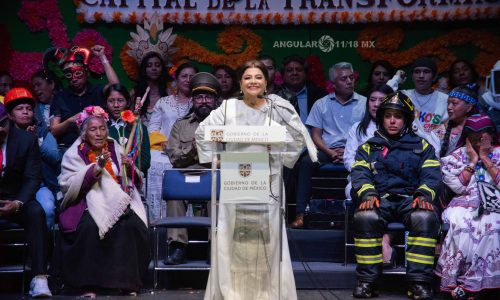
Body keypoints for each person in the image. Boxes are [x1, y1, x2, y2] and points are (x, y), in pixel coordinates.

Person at [195, 60, 317, 300]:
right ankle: (233, 294)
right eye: (248, 77)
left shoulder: (279, 107)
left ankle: (268, 293)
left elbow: (298, 138)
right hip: (235, 180)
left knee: (267, 238)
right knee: (234, 237)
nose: (253, 81)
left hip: (268, 179)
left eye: (258, 77)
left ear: (266, 82)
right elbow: (203, 132)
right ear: (240, 83)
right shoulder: (227, 108)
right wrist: (216, 159)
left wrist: (280, 150)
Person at [350, 92, 442, 299]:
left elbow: (432, 175)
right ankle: (367, 282)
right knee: (365, 217)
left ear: (406, 120)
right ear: (381, 118)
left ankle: (419, 283)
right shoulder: (367, 147)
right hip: (379, 199)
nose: (392, 120)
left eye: (398, 116)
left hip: (411, 200)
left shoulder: (423, 146)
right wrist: (367, 194)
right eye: (388, 115)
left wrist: (424, 195)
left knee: (424, 217)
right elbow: (359, 173)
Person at [57, 106, 149, 297]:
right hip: (86, 202)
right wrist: (95, 169)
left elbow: (132, 180)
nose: (99, 134)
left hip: (117, 200)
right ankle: (88, 285)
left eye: (102, 129)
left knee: (132, 225)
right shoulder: (74, 153)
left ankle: (126, 283)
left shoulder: (115, 146)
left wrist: (130, 167)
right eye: (93, 129)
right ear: (84, 134)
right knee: (90, 226)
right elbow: (69, 186)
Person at [291, 62, 366, 228]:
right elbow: (315, 135)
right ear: (333, 84)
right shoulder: (321, 104)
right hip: (327, 149)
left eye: (351, 78)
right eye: (343, 78)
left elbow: (367, 133)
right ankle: (301, 214)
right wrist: (329, 151)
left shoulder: (364, 103)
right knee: (306, 162)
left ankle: (363, 215)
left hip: (355, 150)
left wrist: (349, 151)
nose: (349, 81)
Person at [436, 113, 499, 299]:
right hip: (463, 202)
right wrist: (472, 160)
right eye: (474, 135)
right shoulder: (456, 156)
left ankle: (482, 285)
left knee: (492, 225)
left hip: (495, 202)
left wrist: (486, 159)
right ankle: (461, 282)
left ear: (491, 134)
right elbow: (458, 187)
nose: (480, 138)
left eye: (484, 134)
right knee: (462, 224)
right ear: (467, 136)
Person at [163, 72, 220, 264]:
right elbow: (174, 158)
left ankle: (215, 247)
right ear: (193, 100)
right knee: (175, 195)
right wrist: (193, 148)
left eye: (208, 97)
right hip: (187, 176)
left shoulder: (227, 124)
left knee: (219, 194)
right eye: (199, 97)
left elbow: (232, 156)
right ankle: (178, 248)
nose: (203, 101)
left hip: (214, 177)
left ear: (215, 100)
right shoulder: (181, 125)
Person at [0, 102, 50, 298]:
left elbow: (32, 177)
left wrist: (17, 203)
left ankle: (39, 278)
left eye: (3, 124)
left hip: (17, 197)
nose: (0, 130)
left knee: (37, 213)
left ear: (9, 121)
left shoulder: (26, 140)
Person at [343, 84, 394, 266]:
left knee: (395, 194)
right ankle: (379, 242)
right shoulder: (358, 128)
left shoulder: (398, 127)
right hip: (361, 179)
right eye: (372, 100)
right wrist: (367, 172)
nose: (376, 104)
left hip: (390, 180)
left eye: (381, 100)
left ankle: (384, 240)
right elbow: (349, 159)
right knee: (360, 193)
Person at [4, 87, 59, 229]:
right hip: (12, 188)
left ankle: (46, 248)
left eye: (28, 108)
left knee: (47, 209)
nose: (25, 112)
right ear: (10, 115)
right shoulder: (5, 135)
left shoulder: (43, 131)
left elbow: (55, 157)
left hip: (40, 185)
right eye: (20, 108)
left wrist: (36, 141)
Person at [48, 45, 119, 152]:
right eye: (69, 75)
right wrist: (70, 120)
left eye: (78, 73)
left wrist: (102, 57)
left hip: (98, 147)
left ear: (87, 74)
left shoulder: (97, 91)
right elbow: (54, 130)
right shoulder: (60, 97)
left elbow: (115, 86)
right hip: (69, 148)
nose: (74, 78)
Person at [148, 62, 198, 164]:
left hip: (192, 154)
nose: (188, 80)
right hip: (164, 153)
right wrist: (163, 142)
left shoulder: (200, 103)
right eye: (184, 76)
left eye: (191, 77)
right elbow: (152, 127)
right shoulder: (163, 102)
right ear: (176, 79)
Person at [388, 57, 449, 137]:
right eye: (417, 72)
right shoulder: (403, 95)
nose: (421, 76)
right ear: (412, 77)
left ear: (434, 77)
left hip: (433, 147)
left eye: (426, 72)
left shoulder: (445, 99)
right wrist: (396, 79)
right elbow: (380, 97)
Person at [105, 83, 151, 174]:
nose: (116, 105)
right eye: (111, 101)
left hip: (130, 180)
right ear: (105, 103)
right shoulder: (101, 128)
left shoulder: (139, 129)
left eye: (120, 100)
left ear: (128, 102)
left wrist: (130, 165)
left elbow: (145, 162)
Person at [281, 54, 327, 123]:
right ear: (283, 75)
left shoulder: (319, 95)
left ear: (305, 74)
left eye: (299, 70)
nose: (294, 73)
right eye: (289, 70)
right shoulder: (275, 95)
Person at [436, 85, 478, 158]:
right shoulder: (439, 131)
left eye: (454, 103)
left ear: (469, 107)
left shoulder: (480, 131)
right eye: (448, 103)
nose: (449, 107)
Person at [132, 52, 170, 125]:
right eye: (149, 65)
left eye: (157, 65)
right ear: (144, 69)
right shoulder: (135, 93)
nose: (154, 68)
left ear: (162, 69)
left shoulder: (168, 93)